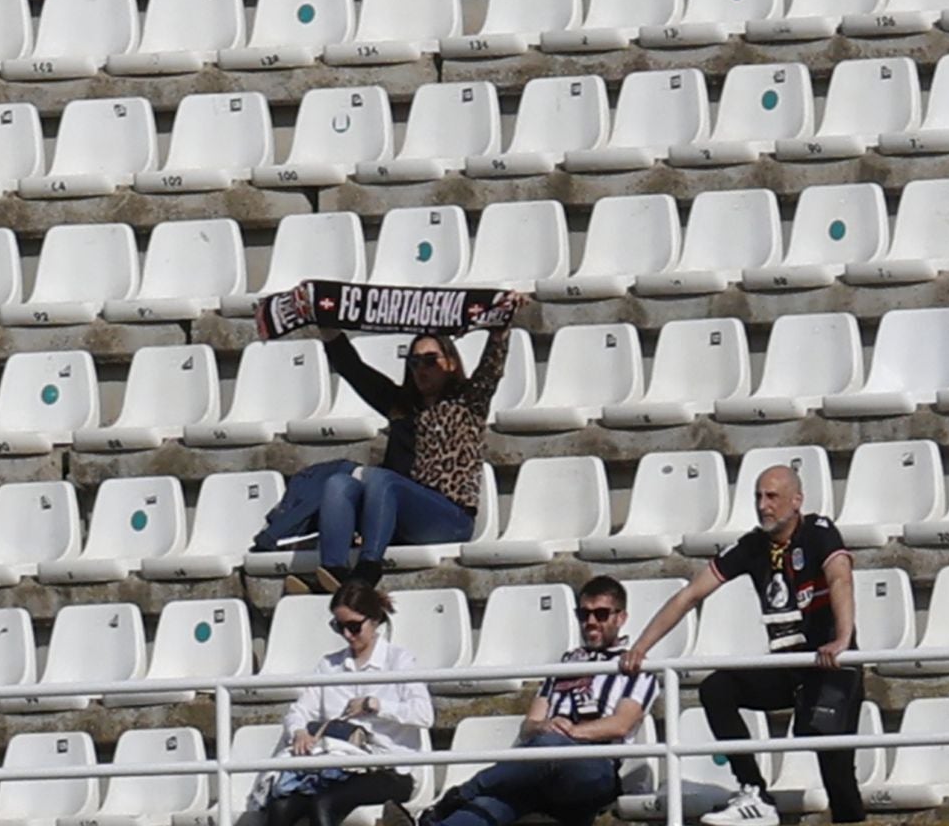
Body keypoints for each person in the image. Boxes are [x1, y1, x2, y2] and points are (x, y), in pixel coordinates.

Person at [622, 467, 861, 826]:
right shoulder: (752, 545)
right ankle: (755, 792)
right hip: (788, 665)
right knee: (717, 688)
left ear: (797, 501)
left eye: (772, 497)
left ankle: (852, 820)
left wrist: (842, 638)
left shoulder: (819, 531)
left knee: (835, 767)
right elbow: (691, 594)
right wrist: (640, 646)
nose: (763, 505)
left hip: (829, 666)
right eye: (758, 496)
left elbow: (840, 577)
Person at [288, 291, 527, 593]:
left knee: (381, 480)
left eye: (430, 360)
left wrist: (501, 325)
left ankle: (367, 571)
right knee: (339, 484)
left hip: (449, 517)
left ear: (451, 363)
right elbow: (355, 370)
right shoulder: (402, 405)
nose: (421, 369)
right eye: (414, 362)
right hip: (405, 514)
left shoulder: (469, 400)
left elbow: (492, 366)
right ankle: (334, 571)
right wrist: (327, 327)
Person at [422, 576, 657, 826]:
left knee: (550, 746)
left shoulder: (634, 667)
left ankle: (463, 792)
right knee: (487, 807)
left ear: (620, 618)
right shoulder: (565, 664)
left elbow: (621, 724)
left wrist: (571, 733)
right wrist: (541, 727)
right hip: (543, 767)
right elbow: (529, 725)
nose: (590, 622)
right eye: (584, 614)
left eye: (601, 614)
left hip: (594, 769)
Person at [267, 582, 433, 826]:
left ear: (375, 620)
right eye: (339, 627)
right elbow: (299, 711)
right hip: (337, 764)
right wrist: (299, 731)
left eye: (354, 627)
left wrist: (376, 705)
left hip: (389, 768)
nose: (347, 635)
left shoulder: (399, 661)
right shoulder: (329, 665)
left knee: (323, 803)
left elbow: (424, 715)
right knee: (280, 806)